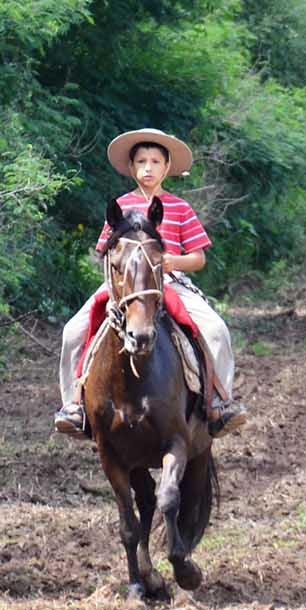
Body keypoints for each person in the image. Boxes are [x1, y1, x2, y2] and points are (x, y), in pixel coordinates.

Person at [52, 128, 247, 438]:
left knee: (216, 330)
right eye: (141, 161)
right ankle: (74, 406)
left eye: (155, 161)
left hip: (170, 283)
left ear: (167, 167)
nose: (148, 168)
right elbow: (104, 252)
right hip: (125, 286)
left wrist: (172, 262)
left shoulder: (180, 207)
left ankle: (219, 403)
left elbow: (198, 258)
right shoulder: (119, 207)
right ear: (131, 167)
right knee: (73, 331)